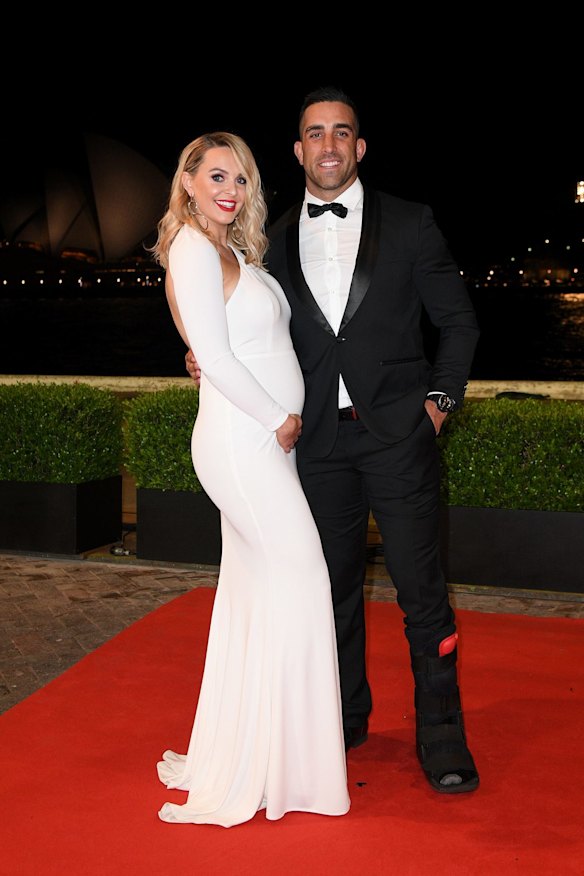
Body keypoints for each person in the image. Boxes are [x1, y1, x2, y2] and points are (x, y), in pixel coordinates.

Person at [186, 88, 481, 795]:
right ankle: (342, 719)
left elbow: (460, 324)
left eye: (340, 133)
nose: (327, 145)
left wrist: (437, 406)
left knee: (422, 593)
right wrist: (203, 353)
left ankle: (442, 736)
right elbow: (246, 324)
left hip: (399, 440)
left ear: (359, 147)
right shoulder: (272, 240)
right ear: (297, 150)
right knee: (331, 591)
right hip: (312, 445)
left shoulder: (413, 224)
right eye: (314, 133)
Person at [151, 131, 350, 828]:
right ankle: (284, 765)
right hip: (246, 440)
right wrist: (278, 418)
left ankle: (265, 758)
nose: (229, 189)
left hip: (264, 441)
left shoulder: (235, 249)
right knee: (303, 579)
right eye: (214, 177)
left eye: (239, 177)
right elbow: (211, 352)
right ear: (188, 183)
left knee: (255, 596)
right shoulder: (191, 247)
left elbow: (215, 344)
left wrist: (271, 418)